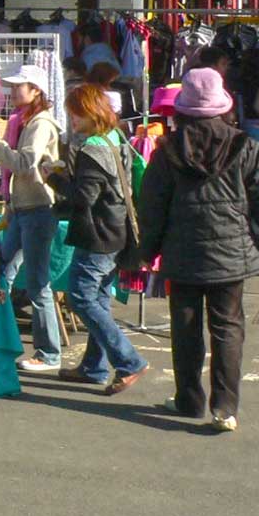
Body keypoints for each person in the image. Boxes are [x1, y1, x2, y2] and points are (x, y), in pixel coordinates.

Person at [137, 67, 259, 431]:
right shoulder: (244, 145)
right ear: (222, 105)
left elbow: (152, 207)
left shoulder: (167, 150)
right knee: (228, 327)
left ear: (183, 108)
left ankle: (189, 400)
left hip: (182, 250)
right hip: (231, 254)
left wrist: (147, 250)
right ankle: (225, 407)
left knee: (185, 328)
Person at [49, 85, 150, 393]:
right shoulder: (117, 138)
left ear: (90, 112)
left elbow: (84, 197)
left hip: (99, 234)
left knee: (81, 296)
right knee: (100, 299)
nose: (71, 118)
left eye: (75, 112)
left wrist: (53, 178)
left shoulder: (93, 147)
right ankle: (93, 367)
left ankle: (129, 360)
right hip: (118, 229)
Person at [0, 63, 63, 372]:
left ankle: (49, 354)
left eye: (18, 86)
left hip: (38, 209)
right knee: (2, 272)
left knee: (37, 283)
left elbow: (26, 163)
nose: (12, 91)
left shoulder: (40, 124)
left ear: (36, 90)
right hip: (25, 208)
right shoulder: (28, 121)